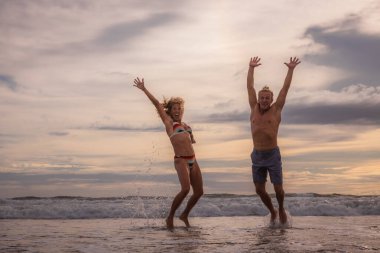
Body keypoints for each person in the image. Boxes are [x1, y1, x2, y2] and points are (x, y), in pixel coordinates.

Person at [133, 77, 204, 229]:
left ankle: (184, 214)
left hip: (193, 160)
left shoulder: (186, 125)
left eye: (179, 108)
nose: (177, 111)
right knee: (185, 189)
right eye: (174, 109)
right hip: (181, 160)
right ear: (170, 111)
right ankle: (170, 216)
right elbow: (157, 104)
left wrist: (191, 137)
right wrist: (144, 89)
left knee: (199, 192)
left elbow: (190, 141)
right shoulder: (169, 123)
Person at [246, 56, 300, 224]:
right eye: (262, 97)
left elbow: (285, 88)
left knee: (278, 189)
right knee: (259, 189)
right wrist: (251, 68)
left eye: (267, 98)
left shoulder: (276, 109)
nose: (263, 100)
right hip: (257, 155)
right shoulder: (253, 108)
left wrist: (290, 69)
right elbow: (249, 87)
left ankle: (281, 208)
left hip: (272, 154)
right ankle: (272, 211)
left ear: (271, 99)